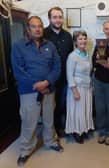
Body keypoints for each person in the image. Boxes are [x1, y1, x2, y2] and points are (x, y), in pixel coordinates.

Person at [11, 16, 63, 166]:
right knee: (29, 121)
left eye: (40, 26)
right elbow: (18, 71)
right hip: (29, 91)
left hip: (49, 89)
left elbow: (57, 67)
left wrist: (47, 82)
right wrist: (37, 85)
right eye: (34, 26)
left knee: (49, 119)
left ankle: (51, 141)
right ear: (28, 28)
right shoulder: (18, 46)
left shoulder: (50, 45)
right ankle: (26, 150)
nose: (38, 29)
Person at [44, 7, 74, 137]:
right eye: (55, 17)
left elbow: (71, 57)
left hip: (64, 78)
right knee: (49, 107)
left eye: (60, 17)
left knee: (62, 104)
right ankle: (50, 131)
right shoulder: (43, 34)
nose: (58, 20)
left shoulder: (67, 35)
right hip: (48, 78)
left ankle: (59, 128)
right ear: (50, 18)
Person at [65, 30, 94, 144]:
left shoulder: (87, 54)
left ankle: (84, 128)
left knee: (85, 109)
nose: (83, 41)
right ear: (75, 42)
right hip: (77, 88)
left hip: (87, 87)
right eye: (80, 39)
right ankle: (77, 131)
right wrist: (75, 91)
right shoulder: (72, 56)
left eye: (84, 38)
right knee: (77, 111)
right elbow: (69, 75)